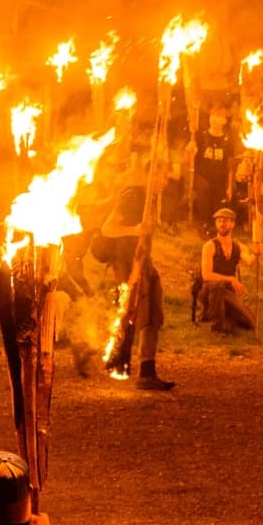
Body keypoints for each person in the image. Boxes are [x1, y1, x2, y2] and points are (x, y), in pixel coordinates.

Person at [94, 160, 174, 390]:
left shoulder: (150, 199)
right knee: (130, 312)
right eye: (162, 176)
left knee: (153, 313)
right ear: (150, 175)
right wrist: (134, 230)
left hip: (143, 261)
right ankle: (117, 360)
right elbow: (107, 228)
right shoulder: (132, 196)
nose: (165, 182)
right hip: (127, 264)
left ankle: (147, 370)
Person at [195, 206, 258, 334]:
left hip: (227, 291)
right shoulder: (209, 246)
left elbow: (249, 261)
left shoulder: (238, 247)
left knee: (251, 322)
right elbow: (206, 275)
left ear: (232, 224)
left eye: (225, 220)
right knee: (218, 285)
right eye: (219, 221)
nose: (222, 224)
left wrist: (257, 253)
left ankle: (221, 317)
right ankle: (216, 328)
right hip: (208, 290)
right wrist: (231, 278)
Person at [189, 108, 235, 231]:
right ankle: (204, 224)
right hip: (202, 176)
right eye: (213, 115)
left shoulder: (227, 140)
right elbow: (189, 158)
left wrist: (229, 186)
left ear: (224, 121)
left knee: (218, 203)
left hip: (219, 179)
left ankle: (215, 227)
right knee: (204, 190)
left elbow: (230, 165)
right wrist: (189, 151)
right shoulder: (201, 136)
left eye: (219, 116)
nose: (215, 118)